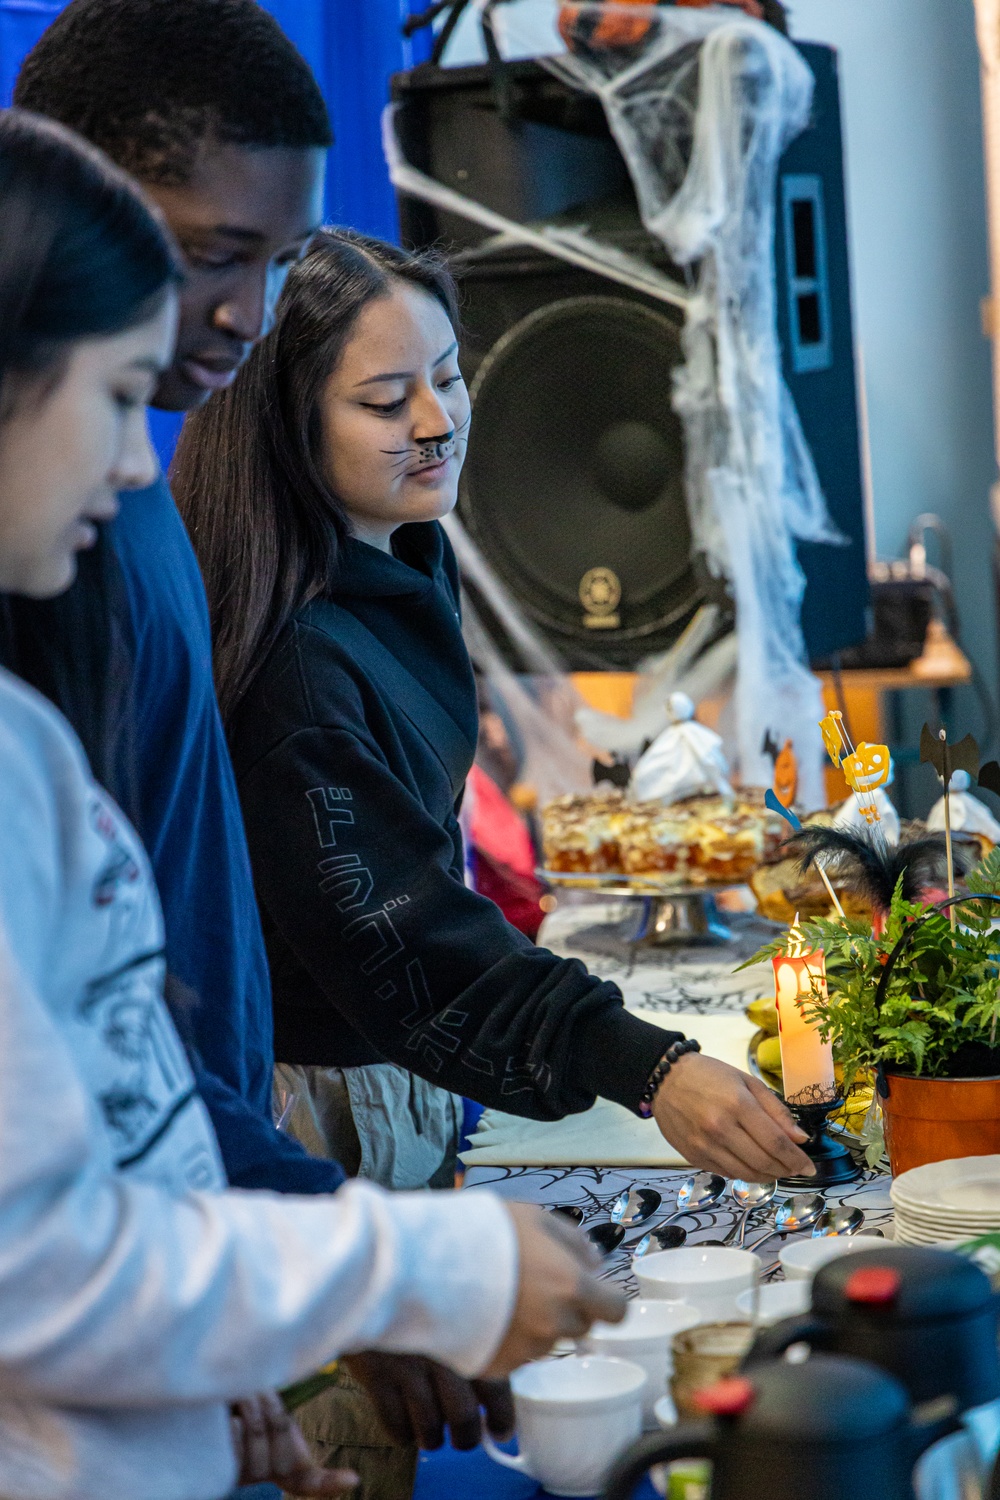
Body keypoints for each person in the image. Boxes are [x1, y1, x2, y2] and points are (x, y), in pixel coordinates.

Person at [0, 102, 621, 1500]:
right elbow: (43, 1258)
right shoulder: (247, 660)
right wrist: (398, 1266)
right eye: (114, 397)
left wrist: (224, 1377)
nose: (133, 462)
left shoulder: (30, 738)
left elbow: (142, 1104)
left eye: (449, 380)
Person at [174, 229, 816, 1192]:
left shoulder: (399, 555)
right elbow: (408, 927)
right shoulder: (295, 671)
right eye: (387, 402)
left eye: (449, 377)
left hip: (391, 1072)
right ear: (287, 426)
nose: (438, 420)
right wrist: (649, 1065)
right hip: (319, 1110)